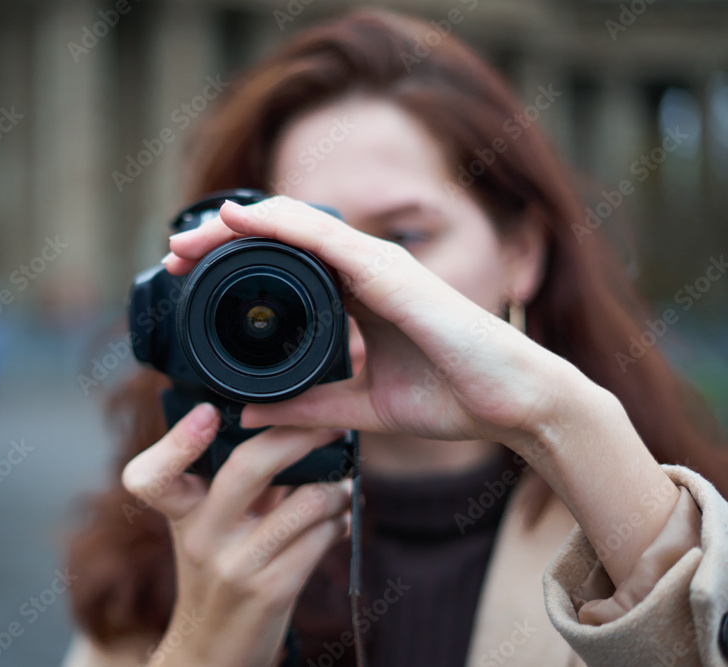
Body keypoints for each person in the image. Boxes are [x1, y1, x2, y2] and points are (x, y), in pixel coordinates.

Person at [63, 9, 728, 666]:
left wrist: (568, 422)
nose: (359, 277)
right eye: (301, 245)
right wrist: (201, 647)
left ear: (521, 251)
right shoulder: (171, 548)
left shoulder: (663, 522)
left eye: (404, 236)